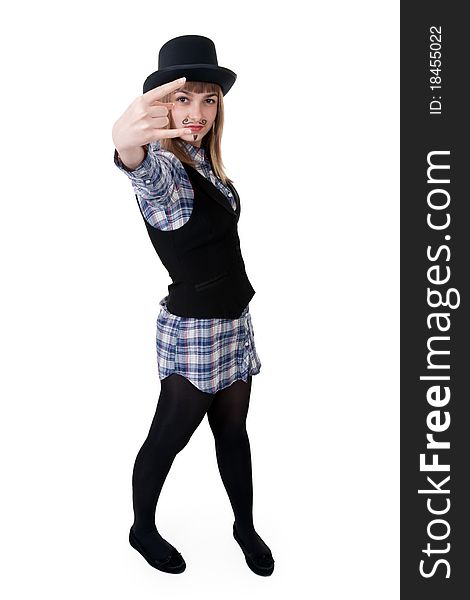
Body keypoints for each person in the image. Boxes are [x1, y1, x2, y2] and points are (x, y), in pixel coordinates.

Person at [111, 34, 274, 576]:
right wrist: (125, 146)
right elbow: (147, 179)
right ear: (162, 104)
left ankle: (244, 526)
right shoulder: (164, 167)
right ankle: (140, 529)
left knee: (234, 433)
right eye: (183, 99)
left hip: (235, 325)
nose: (197, 112)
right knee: (168, 437)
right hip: (194, 333)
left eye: (208, 99)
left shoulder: (204, 160)